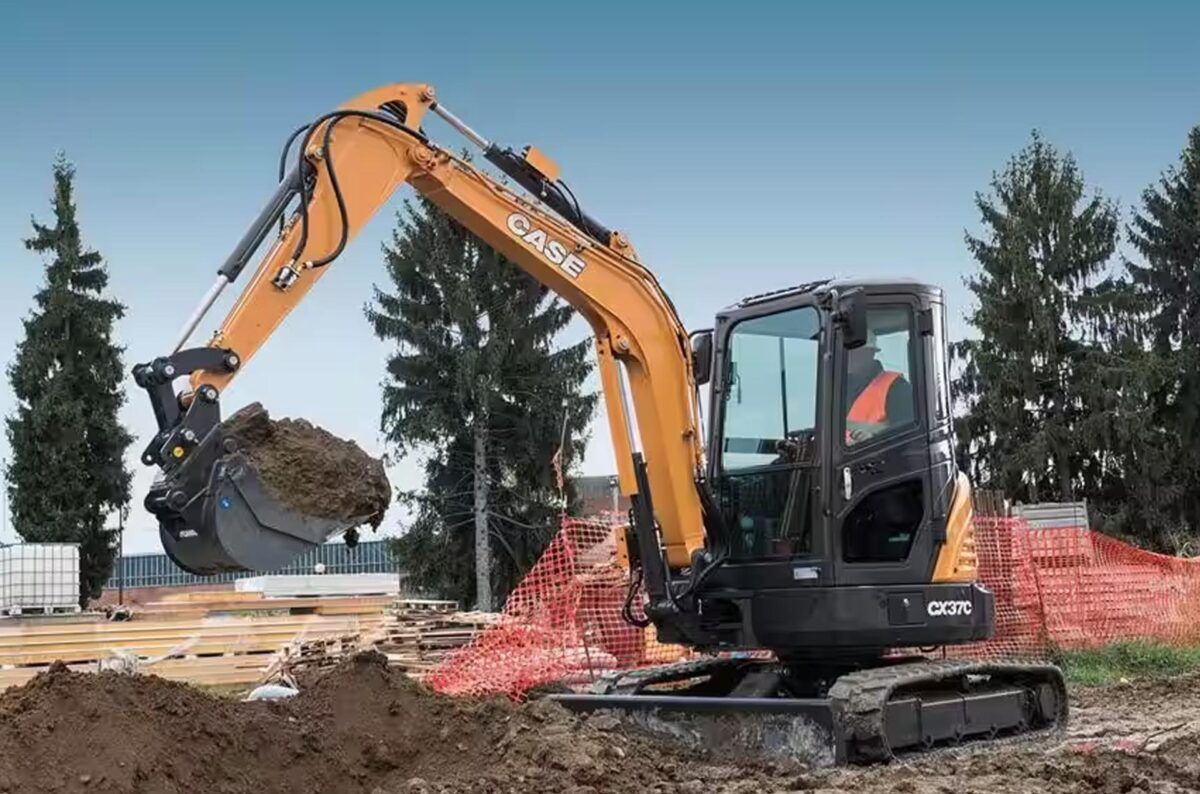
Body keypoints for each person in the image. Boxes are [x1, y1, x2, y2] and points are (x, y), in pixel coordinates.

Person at [845, 328, 914, 445]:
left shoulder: (897, 387)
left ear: (870, 353)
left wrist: (875, 438)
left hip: (877, 455)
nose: (849, 357)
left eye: (856, 352)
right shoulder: (839, 388)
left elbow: (909, 435)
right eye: (847, 352)